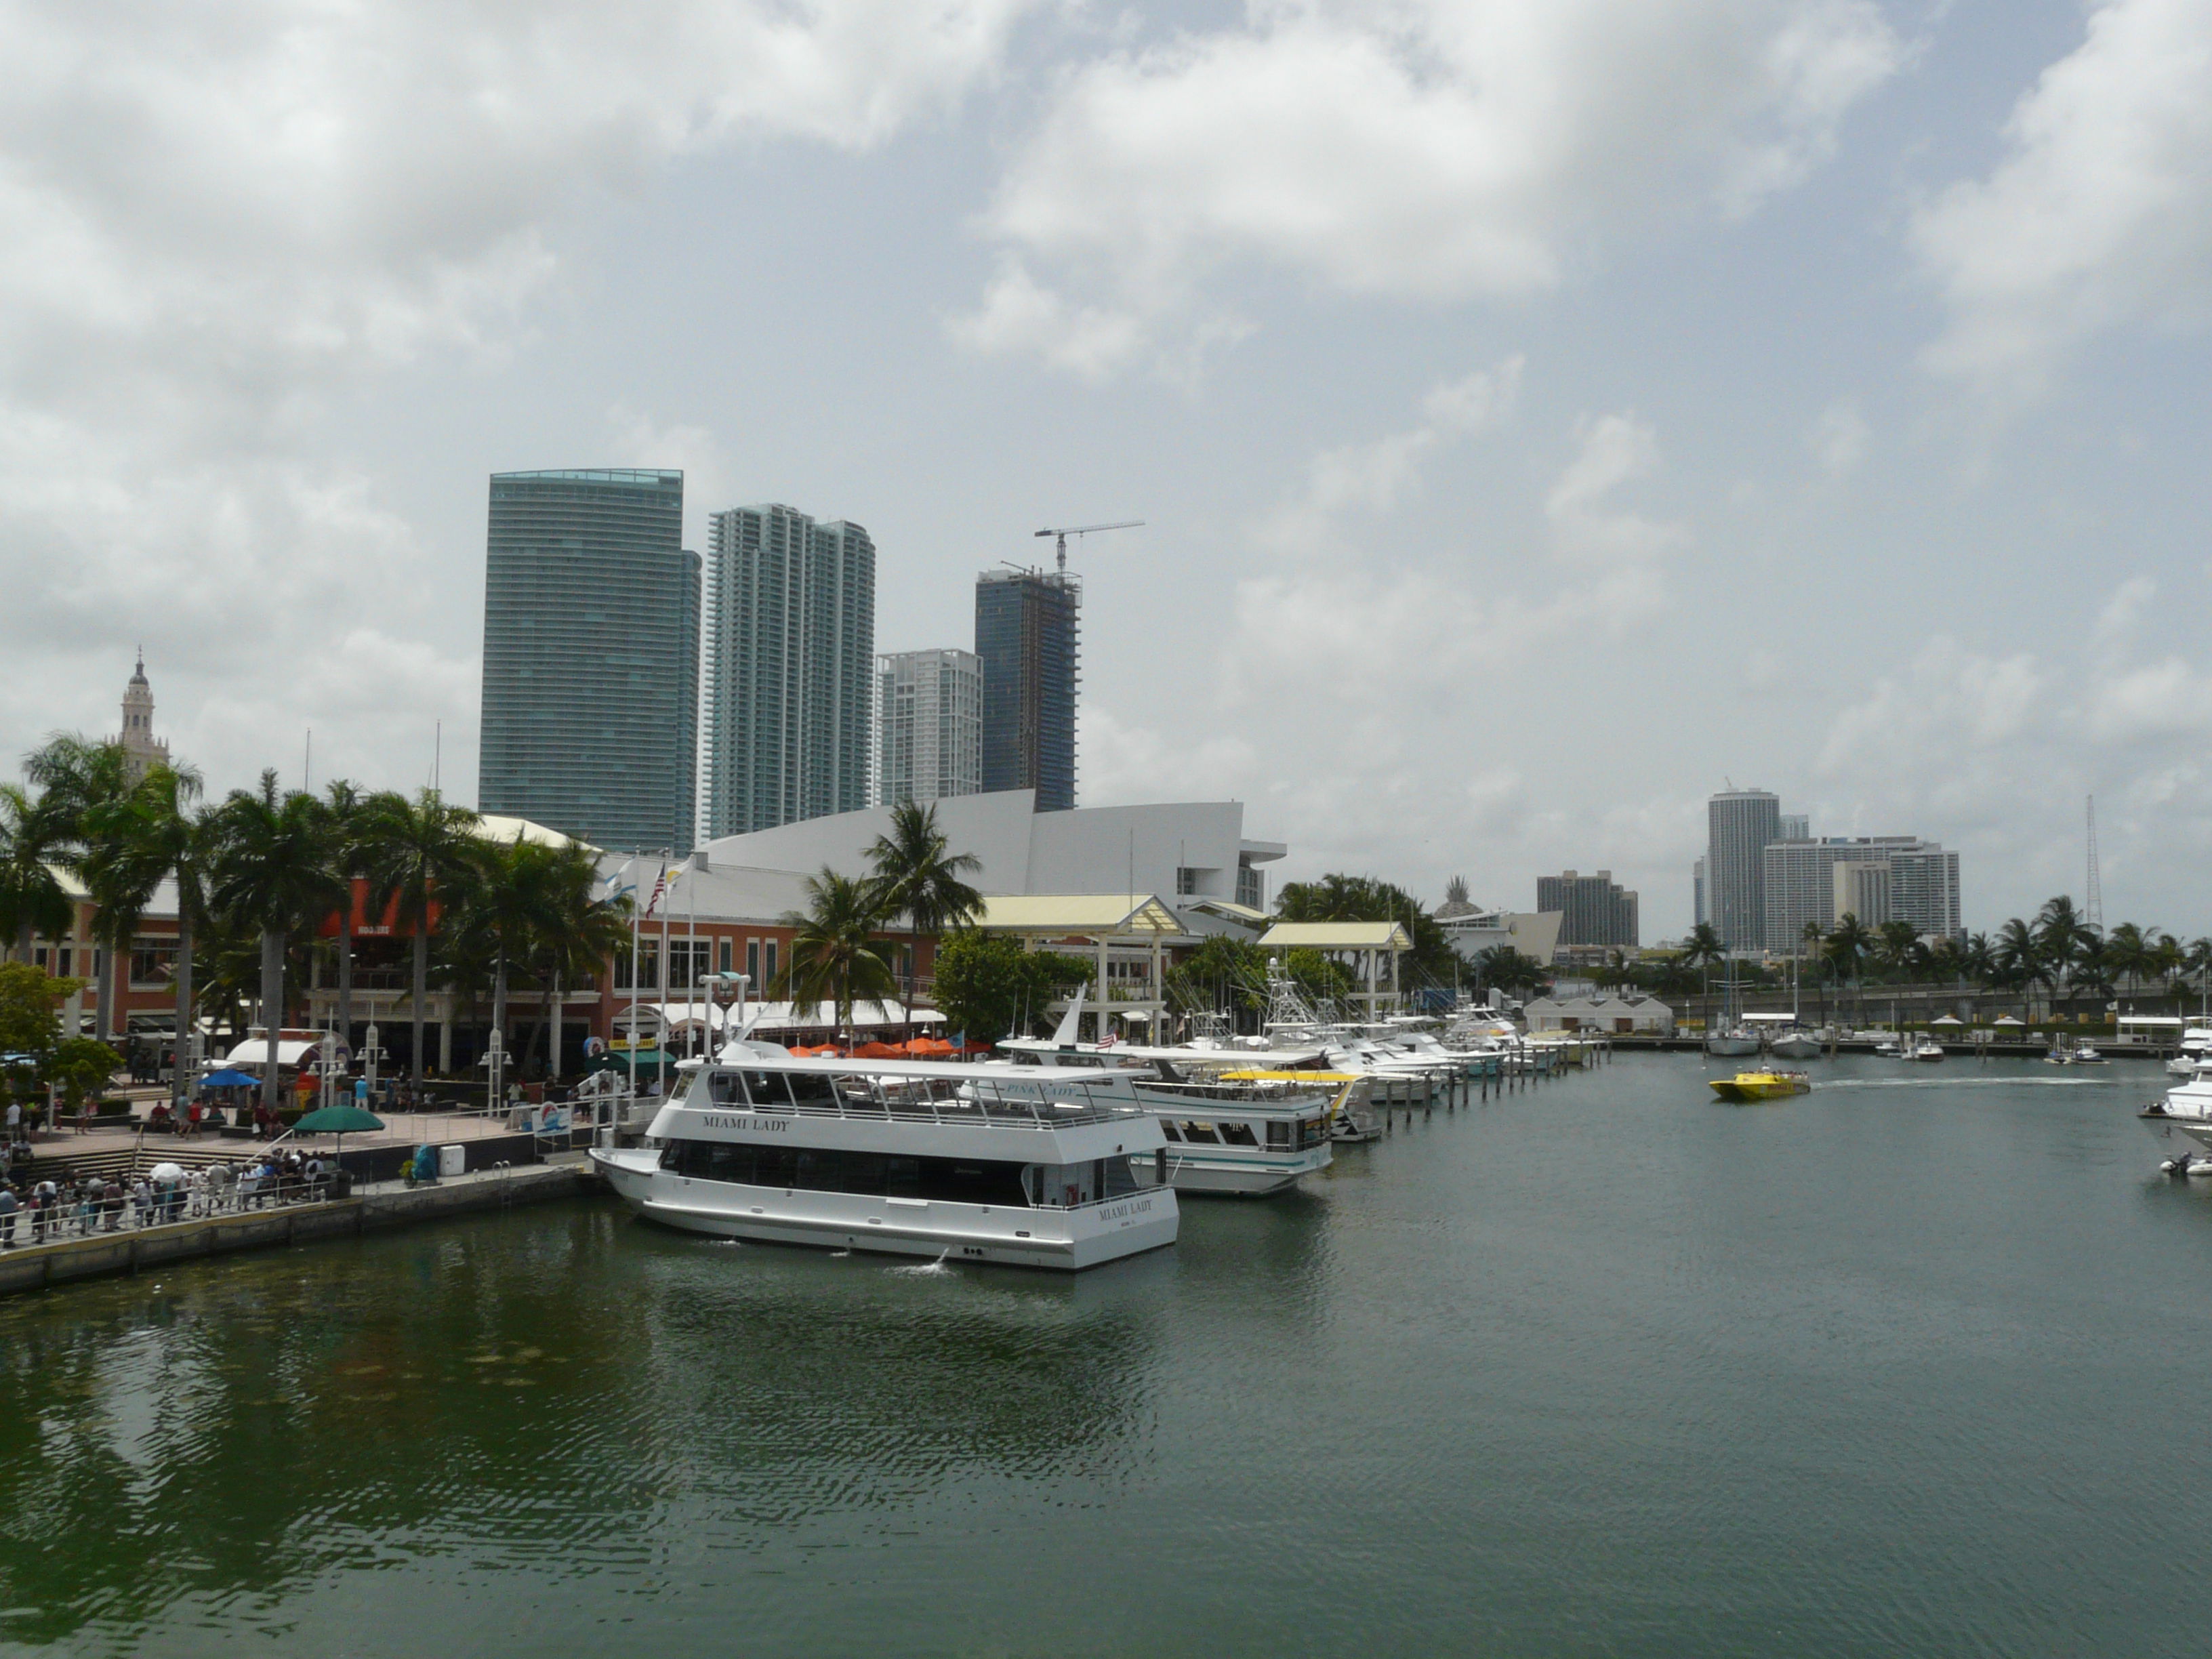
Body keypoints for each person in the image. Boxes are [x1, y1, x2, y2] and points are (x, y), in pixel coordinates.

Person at [0, 1184, 18, 1249]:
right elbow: (16, 1204)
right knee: (10, 1228)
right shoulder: (10, 1195)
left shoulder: (1, 1194)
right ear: (11, 1189)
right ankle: (7, 1241)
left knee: (1, 1227)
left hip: (1, 1213)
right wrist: (24, 1210)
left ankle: (1, 1240)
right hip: (9, 1214)